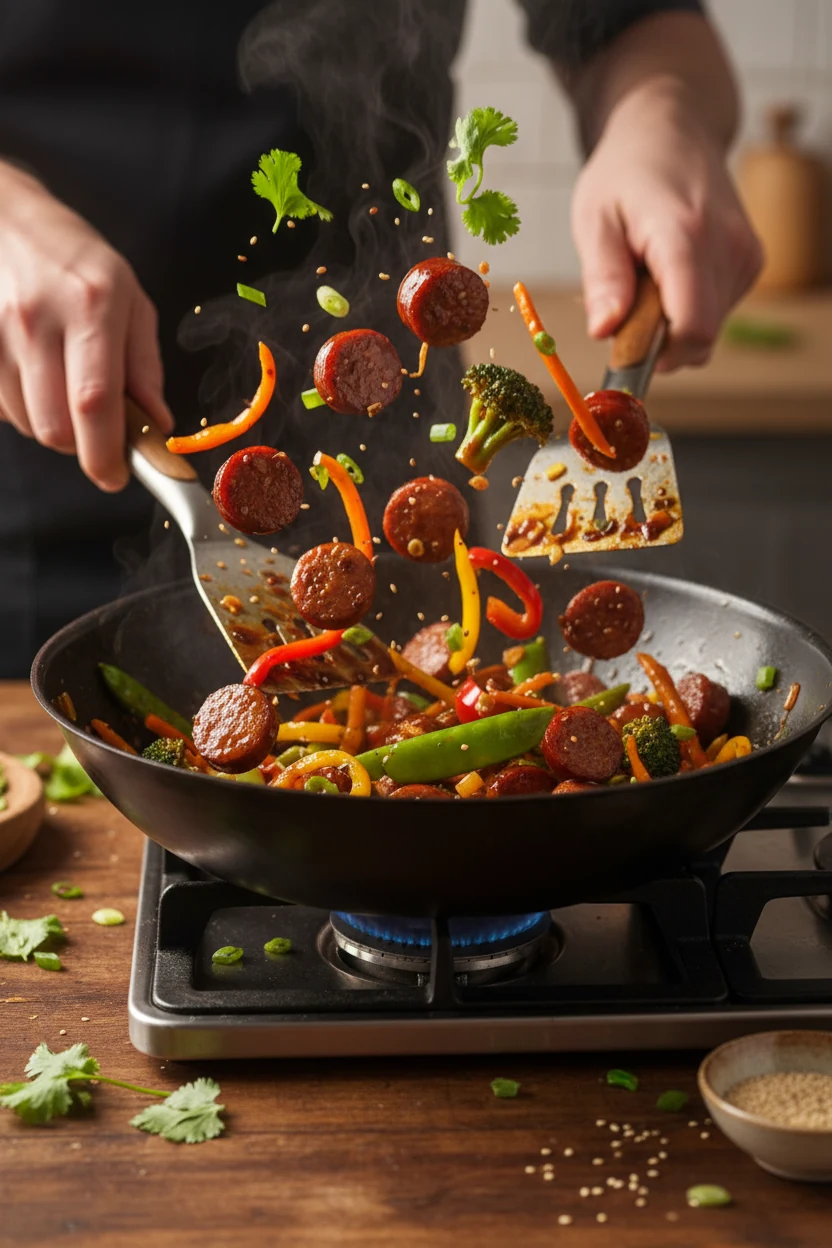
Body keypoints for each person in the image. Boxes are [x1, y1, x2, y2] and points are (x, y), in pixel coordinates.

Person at [0, 0, 761, 677]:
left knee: (432, 704)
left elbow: (635, 23)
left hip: (396, 450)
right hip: (37, 468)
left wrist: (660, 119)